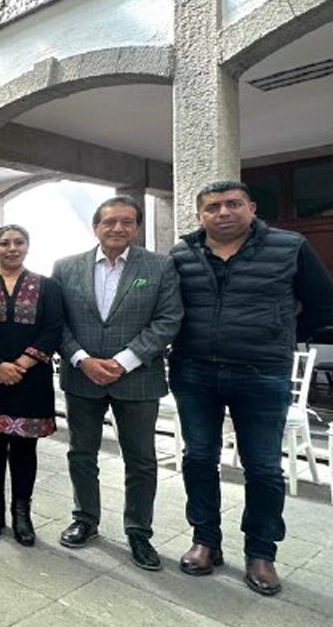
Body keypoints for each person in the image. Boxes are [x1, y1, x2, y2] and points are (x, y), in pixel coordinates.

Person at [169, 180, 333, 596]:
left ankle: (261, 553)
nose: (223, 212)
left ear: (251, 208)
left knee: (263, 467)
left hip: (261, 373)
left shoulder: (289, 246)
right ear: (199, 214)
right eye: (212, 207)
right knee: (199, 458)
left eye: (232, 204)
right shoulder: (182, 254)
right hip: (194, 372)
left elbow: (323, 302)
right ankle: (205, 540)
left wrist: (283, 335)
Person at [52, 196, 182, 570]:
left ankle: (139, 532)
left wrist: (123, 362)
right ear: (96, 226)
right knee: (81, 453)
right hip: (82, 376)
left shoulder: (160, 266)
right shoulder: (67, 267)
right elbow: (56, 321)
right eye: (110, 222)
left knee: (141, 460)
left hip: (138, 378)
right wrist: (82, 359)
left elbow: (168, 320)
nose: (118, 228)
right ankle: (85, 519)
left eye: (127, 222)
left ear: (137, 227)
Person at [0, 226, 65, 546]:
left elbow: (53, 328)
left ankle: (23, 512)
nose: (12, 248)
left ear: (28, 247)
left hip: (29, 379)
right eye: (4, 243)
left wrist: (21, 364)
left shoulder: (47, 286)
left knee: (24, 447)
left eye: (19, 242)